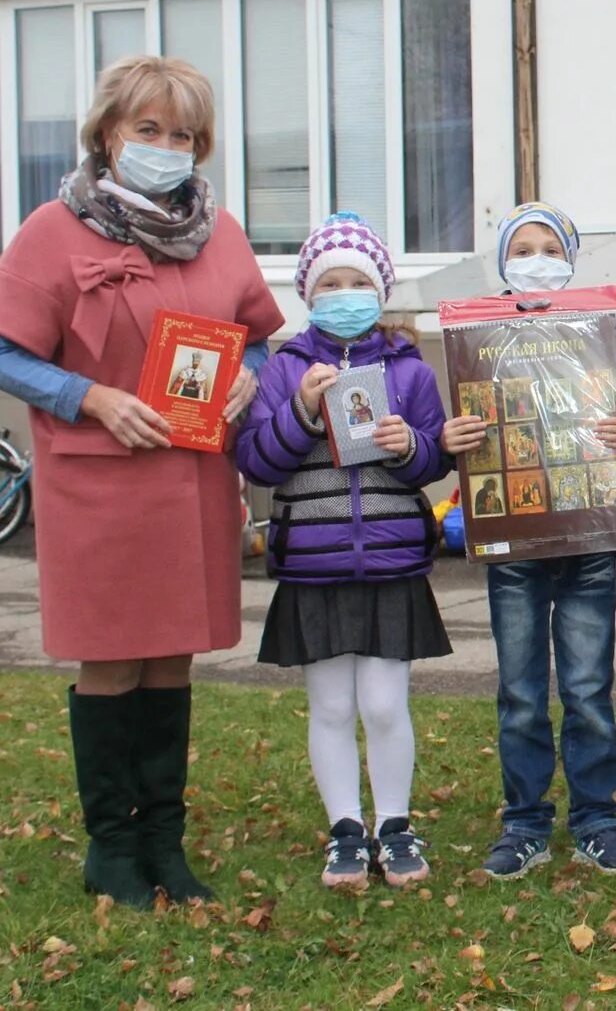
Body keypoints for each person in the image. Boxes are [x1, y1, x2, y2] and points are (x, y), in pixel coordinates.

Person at [0, 56, 284, 908]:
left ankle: (163, 844)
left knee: (172, 662)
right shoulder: (54, 229)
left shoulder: (218, 231)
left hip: (190, 482)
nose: (166, 146)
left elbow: (254, 335)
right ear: (109, 134)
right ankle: (111, 846)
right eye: (149, 129)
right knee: (111, 662)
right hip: (99, 486)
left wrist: (250, 374)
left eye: (182, 134)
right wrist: (91, 396)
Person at [438, 203, 616, 880]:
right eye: (522, 247)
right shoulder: (479, 337)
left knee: (589, 687)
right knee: (522, 691)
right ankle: (525, 822)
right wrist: (452, 439)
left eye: (548, 247)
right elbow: (464, 432)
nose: (536, 258)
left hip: (589, 541)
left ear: (570, 257)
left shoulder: (599, 332)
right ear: (502, 260)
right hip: (515, 546)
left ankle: (597, 818)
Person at [234, 214, 451, 891]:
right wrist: (298, 410)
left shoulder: (411, 368)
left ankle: (395, 823)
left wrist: (408, 444)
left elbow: (436, 457)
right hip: (313, 564)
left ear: (381, 289)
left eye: (359, 280)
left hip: (390, 561)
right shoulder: (282, 367)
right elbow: (257, 463)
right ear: (308, 290)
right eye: (331, 281)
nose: (345, 291)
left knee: (385, 703)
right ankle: (345, 832)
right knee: (329, 705)